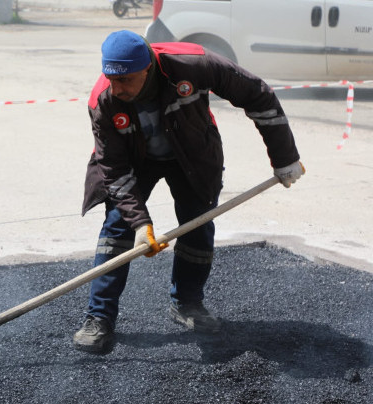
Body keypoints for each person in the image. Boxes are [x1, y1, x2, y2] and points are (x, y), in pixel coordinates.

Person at [73, 30, 305, 353]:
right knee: (117, 228)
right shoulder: (104, 101)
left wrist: (285, 158)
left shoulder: (193, 65)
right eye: (111, 79)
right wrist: (141, 225)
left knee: (198, 221)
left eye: (125, 80)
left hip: (192, 152)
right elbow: (113, 169)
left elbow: (257, 93)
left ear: (147, 68)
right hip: (135, 160)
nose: (117, 88)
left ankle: (187, 303)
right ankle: (99, 317)